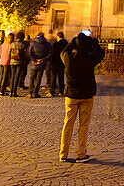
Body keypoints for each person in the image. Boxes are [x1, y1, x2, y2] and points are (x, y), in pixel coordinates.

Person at [59, 30, 105, 163]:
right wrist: (91, 41)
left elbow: (62, 52)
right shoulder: (89, 58)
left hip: (71, 94)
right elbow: (101, 54)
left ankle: (63, 153)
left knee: (68, 124)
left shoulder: (68, 57)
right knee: (84, 125)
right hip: (86, 94)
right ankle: (80, 153)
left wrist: (73, 41)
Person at [27, 32, 51, 98]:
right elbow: (50, 53)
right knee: (38, 78)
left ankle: (30, 92)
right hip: (42, 63)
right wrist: (43, 59)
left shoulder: (33, 44)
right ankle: (35, 93)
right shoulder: (47, 44)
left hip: (34, 64)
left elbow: (29, 53)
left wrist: (34, 60)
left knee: (32, 78)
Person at [48, 31, 67, 97]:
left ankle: (52, 91)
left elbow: (52, 53)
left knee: (53, 77)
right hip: (62, 62)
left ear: (58, 36)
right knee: (61, 77)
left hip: (55, 62)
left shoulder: (55, 44)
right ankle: (61, 91)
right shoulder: (66, 44)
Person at [8, 31, 26, 97]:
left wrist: (11, 58)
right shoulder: (23, 44)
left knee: (13, 76)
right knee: (17, 76)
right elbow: (25, 54)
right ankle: (14, 92)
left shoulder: (12, 44)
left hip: (12, 62)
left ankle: (11, 91)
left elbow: (9, 53)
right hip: (20, 62)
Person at [0, 30, 13, 95]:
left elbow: (0, 53)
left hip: (1, 61)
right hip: (7, 62)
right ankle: (2, 90)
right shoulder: (10, 45)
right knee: (5, 77)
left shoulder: (3, 44)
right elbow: (10, 54)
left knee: (2, 76)